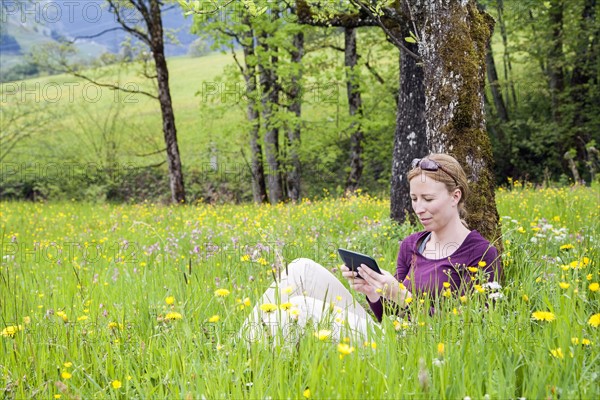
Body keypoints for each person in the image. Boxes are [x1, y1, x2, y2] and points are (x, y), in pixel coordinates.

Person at [240, 154, 501, 344]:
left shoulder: (481, 253)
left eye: (428, 199)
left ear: (455, 196)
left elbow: (472, 332)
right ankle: (239, 353)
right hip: (388, 333)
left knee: (302, 307)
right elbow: (387, 317)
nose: (419, 208)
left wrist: (403, 297)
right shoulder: (411, 244)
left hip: (420, 348)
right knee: (301, 269)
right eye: (414, 199)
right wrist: (374, 294)